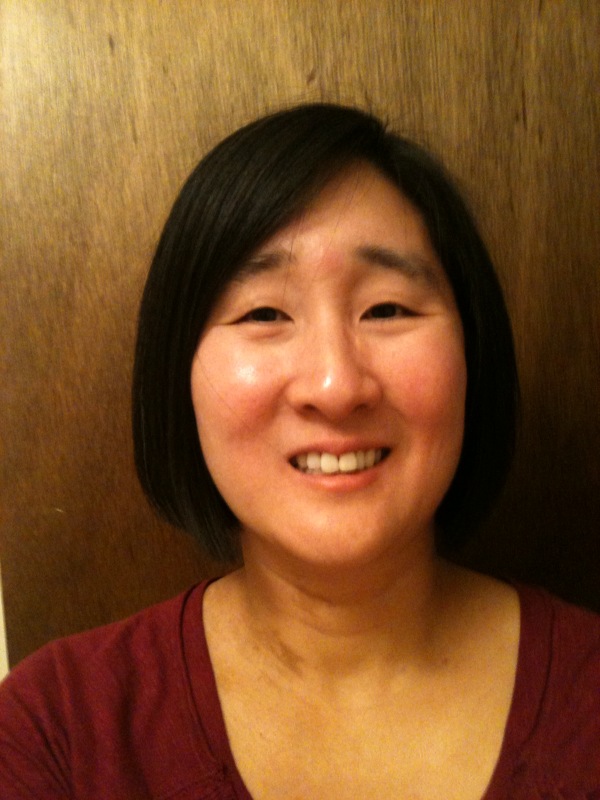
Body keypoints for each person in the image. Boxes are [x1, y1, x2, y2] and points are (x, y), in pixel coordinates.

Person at [0, 103, 598, 798]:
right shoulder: (57, 733)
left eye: (387, 309)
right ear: (177, 374)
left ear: (473, 352)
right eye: (264, 314)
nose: (335, 386)